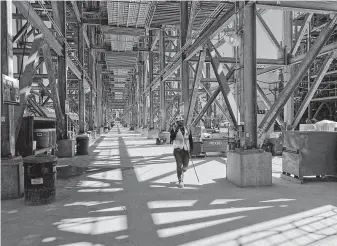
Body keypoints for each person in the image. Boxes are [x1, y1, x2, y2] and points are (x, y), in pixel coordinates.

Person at [170, 115, 193, 188]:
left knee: (185, 167)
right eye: (178, 122)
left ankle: (181, 174)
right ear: (176, 122)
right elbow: (171, 138)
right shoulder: (173, 129)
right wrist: (176, 130)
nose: (180, 122)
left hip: (186, 149)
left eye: (181, 121)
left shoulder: (187, 129)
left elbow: (190, 139)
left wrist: (192, 148)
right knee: (179, 165)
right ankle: (180, 180)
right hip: (178, 150)